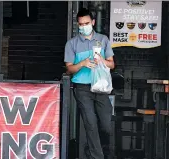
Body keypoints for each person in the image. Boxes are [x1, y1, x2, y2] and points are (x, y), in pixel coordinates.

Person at [64, 8, 115, 159]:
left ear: (93, 22)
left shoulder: (103, 40)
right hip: (82, 87)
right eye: (81, 24)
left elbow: (112, 65)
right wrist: (83, 63)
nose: (83, 26)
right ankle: (96, 156)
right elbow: (69, 69)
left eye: (86, 23)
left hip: (101, 85)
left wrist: (102, 61)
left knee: (106, 123)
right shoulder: (72, 44)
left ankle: (97, 149)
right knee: (90, 122)